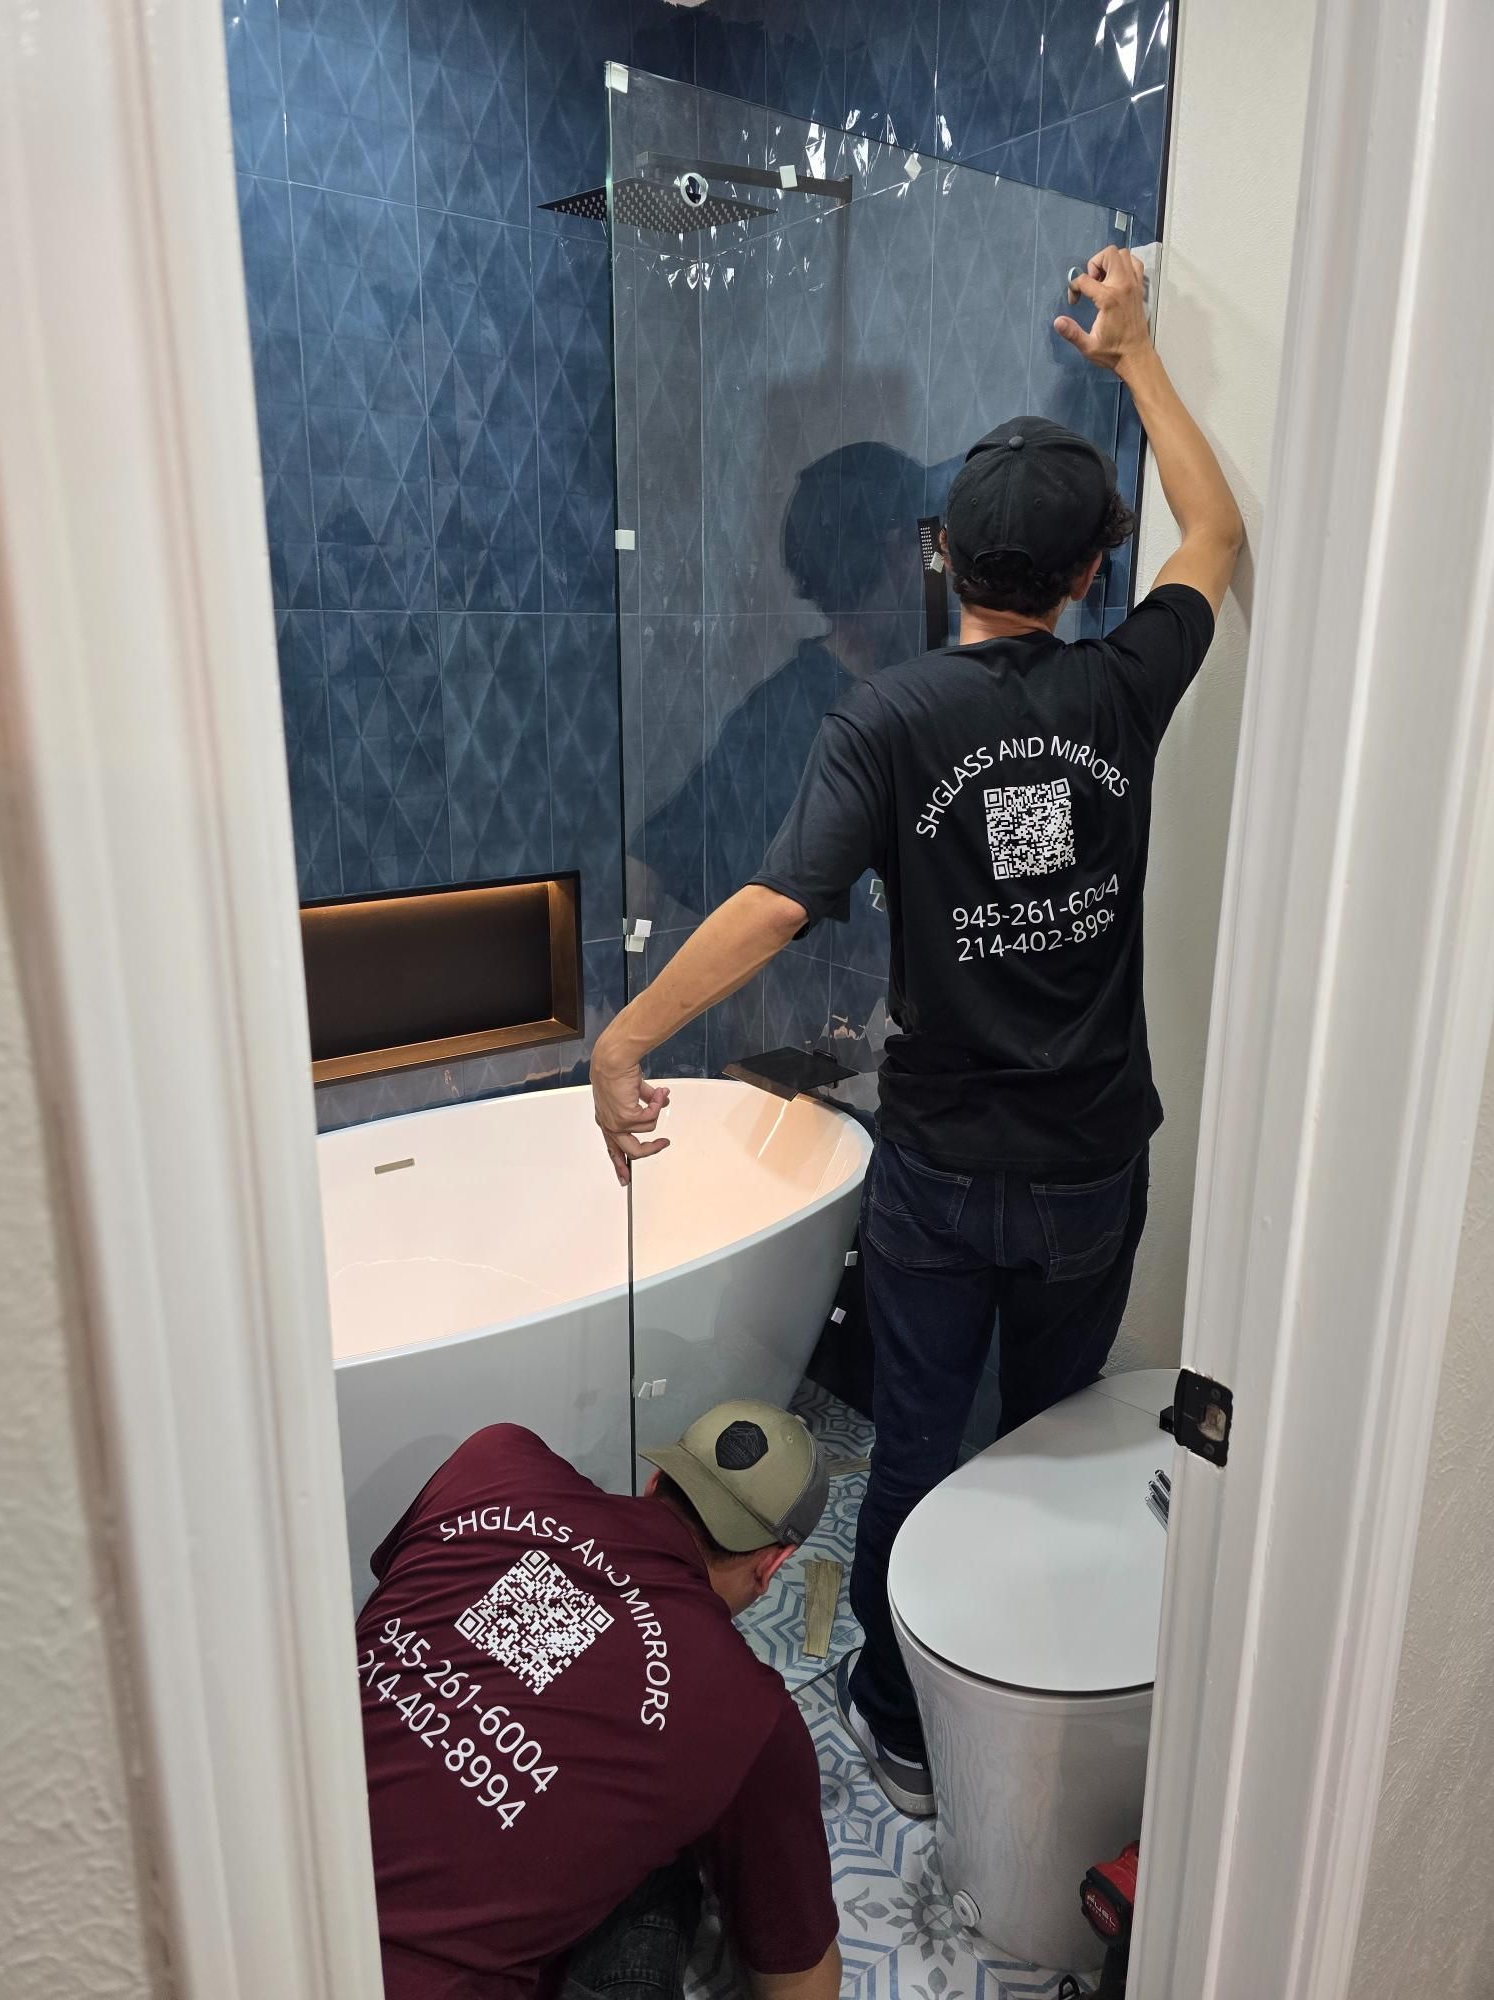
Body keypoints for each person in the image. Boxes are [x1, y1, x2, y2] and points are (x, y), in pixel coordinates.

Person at [587, 244, 1243, 1817]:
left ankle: (896, 1709)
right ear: (1094, 570)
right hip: (1092, 1165)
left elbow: (768, 905)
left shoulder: (888, 720)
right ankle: (1025, 1706)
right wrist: (1137, 353)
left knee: (916, 1447)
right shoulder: (1125, 687)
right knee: (1052, 1440)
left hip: (943, 1168)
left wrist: (625, 1041)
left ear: (943, 558)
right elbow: (1216, 529)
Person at [357, 1403, 842, 2000]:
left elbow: (505, 1660)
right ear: (772, 1566)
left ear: (657, 1479)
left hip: (236, 1896)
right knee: (661, 1862)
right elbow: (798, 1974)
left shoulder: (494, 1458)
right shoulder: (747, 1713)